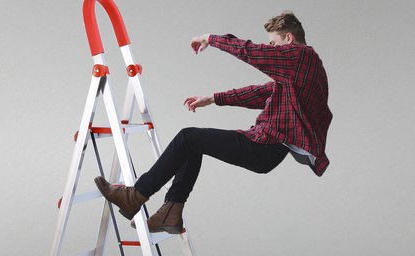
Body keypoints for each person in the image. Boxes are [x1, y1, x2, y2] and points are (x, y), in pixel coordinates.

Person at [95, 11, 332, 234]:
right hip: (265, 148)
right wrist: (212, 98)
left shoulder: (301, 56)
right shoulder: (303, 71)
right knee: (193, 144)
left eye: (273, 44)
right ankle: (171, 212)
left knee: (188, 137)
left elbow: (253, 52)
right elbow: (262, 93)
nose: (271, 49)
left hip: (265, 147)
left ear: (289, 39)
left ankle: (135, 196)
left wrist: (211, 38)